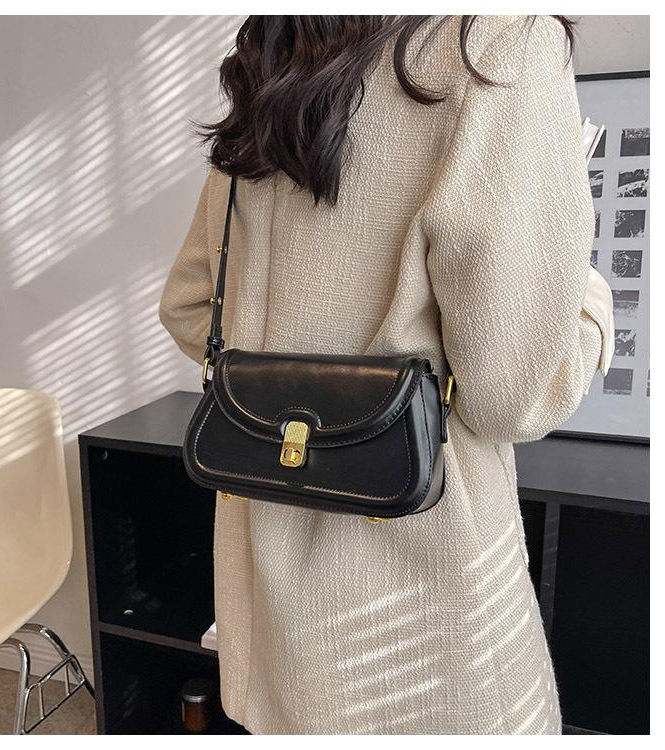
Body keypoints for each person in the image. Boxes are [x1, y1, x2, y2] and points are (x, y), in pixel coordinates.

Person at [158, 15, 613, 735]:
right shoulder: (498, 43)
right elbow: (516, 396)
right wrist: (588, 301)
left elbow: (190, 309)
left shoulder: (276, 53)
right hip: (425, 607)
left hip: (269, 596)